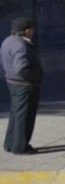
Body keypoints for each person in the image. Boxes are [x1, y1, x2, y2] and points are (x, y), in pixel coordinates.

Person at [2, 17, 44, 155]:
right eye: (32, 29)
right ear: (27, 31)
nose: (33, 31)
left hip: (12, 82)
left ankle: (10, 143)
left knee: (16, 114)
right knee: (24, 116)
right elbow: (22, 68)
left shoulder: (8, 41)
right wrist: (36, 76)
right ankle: (20, 146)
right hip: (25, 85)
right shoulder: (21, 45)